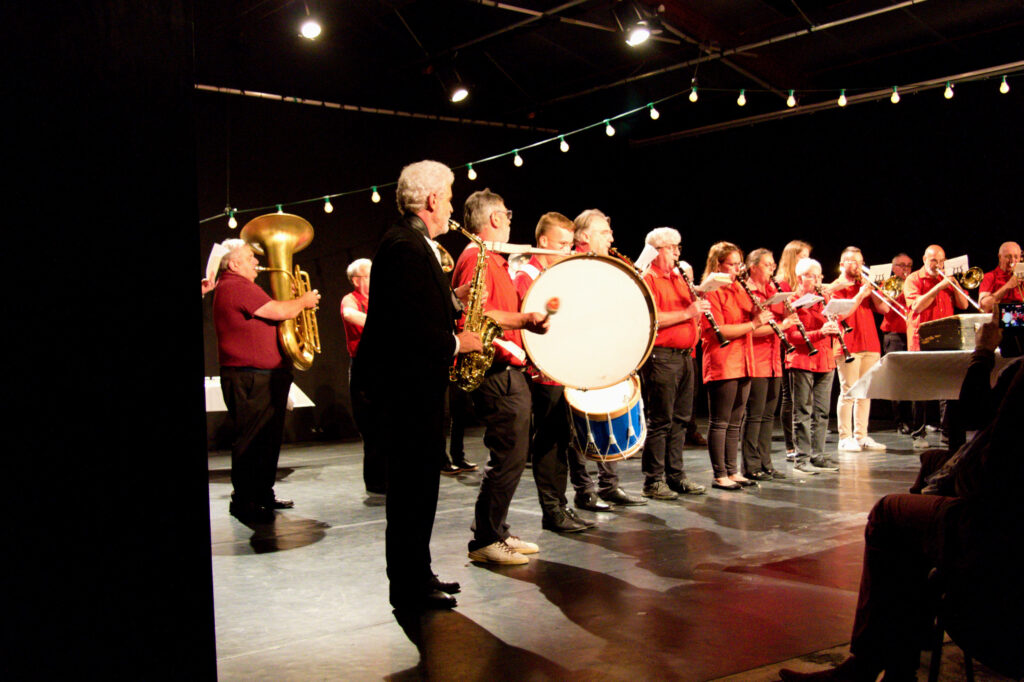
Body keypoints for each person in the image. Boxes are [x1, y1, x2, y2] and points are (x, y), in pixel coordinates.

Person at [779, 325, 1024, 682]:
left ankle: (870, 664)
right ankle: (898, 659)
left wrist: (984, 353)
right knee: (930, 468)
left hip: (998, 526)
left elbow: (978, 420)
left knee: (888, 514)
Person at [352, 160, 483, 611]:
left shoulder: (411, 244)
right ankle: (408, 584)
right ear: (431, 200)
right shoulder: (404, 246)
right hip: (405, 394)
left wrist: (457, 301)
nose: (449, 206)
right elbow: (406, 328)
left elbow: (419, 305)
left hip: (415, 391)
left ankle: (418, 574)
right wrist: (457, 341)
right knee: (411, 491)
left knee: (420, 489)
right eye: (447, 197)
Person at [451, 188, 551, 565]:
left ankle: (497, 530)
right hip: (495, 370)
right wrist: (524, 322)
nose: (510, 220)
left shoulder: (490, 258)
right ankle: (486, 539)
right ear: (494, 218)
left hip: (506, 367)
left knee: (511, 454)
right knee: (507, 456)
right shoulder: (476, 257)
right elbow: (478, 317)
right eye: (507, 214)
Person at [212, 238, 321, 523]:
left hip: (263, 375)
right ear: (234, 264)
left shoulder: (240, 285)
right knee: (252, 441)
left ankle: (262, 494)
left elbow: (274, 310)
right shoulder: (235, 285)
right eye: (250, 258)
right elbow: (277, 311)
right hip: (250, 377)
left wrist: (293, 299)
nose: (257, 263)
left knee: (267, 441)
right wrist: (303, 302)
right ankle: (245, 501)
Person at [513, 212, 594, 532]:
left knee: (562, 440)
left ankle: (560, 505)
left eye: (570, 244)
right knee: (548, 442)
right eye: (562, 244)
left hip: (561, 371)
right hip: (541, 374)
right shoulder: (526, 276)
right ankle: (552, 510)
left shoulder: (558, 275)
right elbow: (524, 325)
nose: (567, 250)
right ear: (543, 242)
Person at [567, 209, 647, 509]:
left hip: (607, 352)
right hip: (579, 354)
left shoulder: (609, 265)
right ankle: (584, 490)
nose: (611, 237)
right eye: (604, 232)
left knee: (609, 410)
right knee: (580, 420)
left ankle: (609, 485)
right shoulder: (570, 266)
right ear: (584, 236)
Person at [638, 228, 709, 500]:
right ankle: (653, 481)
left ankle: (676, 476)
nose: (677, 253)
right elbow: (650, 318)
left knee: (681, 420)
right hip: (661, 357)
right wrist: (687, 313)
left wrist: (700, 303)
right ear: (656, 251)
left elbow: (692, 310)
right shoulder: (648, 278)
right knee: (661, 421)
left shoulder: (679, 277)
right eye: (672, 248)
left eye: (678, 247)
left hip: (685, 357)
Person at [699, 242, 774, 490]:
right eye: (731, 264)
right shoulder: (712, 291)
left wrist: (759, 307)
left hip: (745, 359)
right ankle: (719, 473)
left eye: (738, 264)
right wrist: (753, 324)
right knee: (720, 421)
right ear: (717, 264)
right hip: (723, 360)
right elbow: (719, 330)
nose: (736, 269)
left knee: (735, 421)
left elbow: (751, 316)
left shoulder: (740, 288)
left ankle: (733, 471)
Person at [904, 244, 968, 449]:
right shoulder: (913, 279)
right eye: (933, 261)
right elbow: (917, 306)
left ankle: (947, 432)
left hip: (947, 339)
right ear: (924, 259)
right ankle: (918, 433)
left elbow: (964, 305)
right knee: (920, 390)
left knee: (947, 389)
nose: (938, 265)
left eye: (941, 261)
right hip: (921, 339)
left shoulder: (946, 279)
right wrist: (939, 286)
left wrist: (955, 285)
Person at [739, 248, 795, 481]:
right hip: (757, 360)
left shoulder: (773, 290)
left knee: (768, 416)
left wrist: (791, 313)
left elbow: (782, 321)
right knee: (755, 415)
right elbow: (750, 330)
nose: (772, 269)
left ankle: (766, 462)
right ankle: (751, 465)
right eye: (767, 265)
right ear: (753, 267)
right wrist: (781, 326)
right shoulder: (746, 292)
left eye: (773, 265)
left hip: (774, 361)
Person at [828, 247, 888, 453]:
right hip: (848, 345)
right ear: (842, 263)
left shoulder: (865, 284)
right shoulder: (835, 286)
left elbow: (885, 309)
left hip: (870, 343)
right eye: (854, 262)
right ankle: (844, 437)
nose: (859, 266)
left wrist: (874, 291)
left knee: (865, 393)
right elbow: (840, 316)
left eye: (861, 262)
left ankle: (862, 436)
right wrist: (861, 295)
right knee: (848, 392)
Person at [785, 258, 842, 474]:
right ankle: (801, 459)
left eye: (819, 276)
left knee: (822, 412)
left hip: (825, 360)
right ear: (800, 278)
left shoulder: (826, 299)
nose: (818, 280)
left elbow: (836, 326)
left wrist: (837, 330)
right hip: (802, 360)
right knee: (802, 412)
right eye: (812, 276)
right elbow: (791, 336)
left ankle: (818, 455)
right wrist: (820, 332)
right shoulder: (792, 300)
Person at [341, 258, 384, 494]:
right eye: (369, 275)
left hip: (384, 365)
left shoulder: (381, 296)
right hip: (364, 367)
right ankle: (376, 482)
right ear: (357, 280)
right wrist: (385, 324)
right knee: (371, 426)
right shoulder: (351, 299)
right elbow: (349, 315)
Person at [775, 240, 813, 461]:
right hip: (784, 340)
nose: (807, 260)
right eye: (803, 256)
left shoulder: (801, 281)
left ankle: (799, 443)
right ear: (793, 257)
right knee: (788, 397)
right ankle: (791, 445)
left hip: (799, 339)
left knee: (795, 398)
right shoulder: (782, 282)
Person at [880, 253, 913, 434]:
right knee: (898, 380)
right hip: (894, 335)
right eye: (902, 265)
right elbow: (884, 308)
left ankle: (919, 421)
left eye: (909, 265)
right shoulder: (888, 284)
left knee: (914, 380)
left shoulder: (914, 282)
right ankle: (901, 421)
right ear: (893, 268)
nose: (906, 269)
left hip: (913, 334)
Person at [978, 240, 1022, 313]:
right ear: (1000, 257)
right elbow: (983, 307)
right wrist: (1008, 285)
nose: (1012, 261)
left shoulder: (1021, 275)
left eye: (1016, 257)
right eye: (1008, 257)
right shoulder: (989, 277)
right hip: (997, 322)